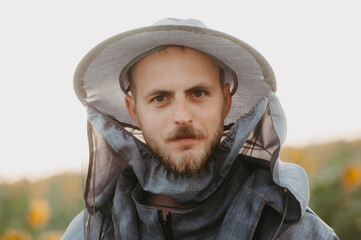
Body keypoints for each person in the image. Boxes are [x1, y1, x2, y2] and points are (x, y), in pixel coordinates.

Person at [62, 18, 339, 239]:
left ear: (226, 101)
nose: (182, 116)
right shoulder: (90, 234)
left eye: (198, 93)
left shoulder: (300, 233)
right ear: (134, 111)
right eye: (160, 98)